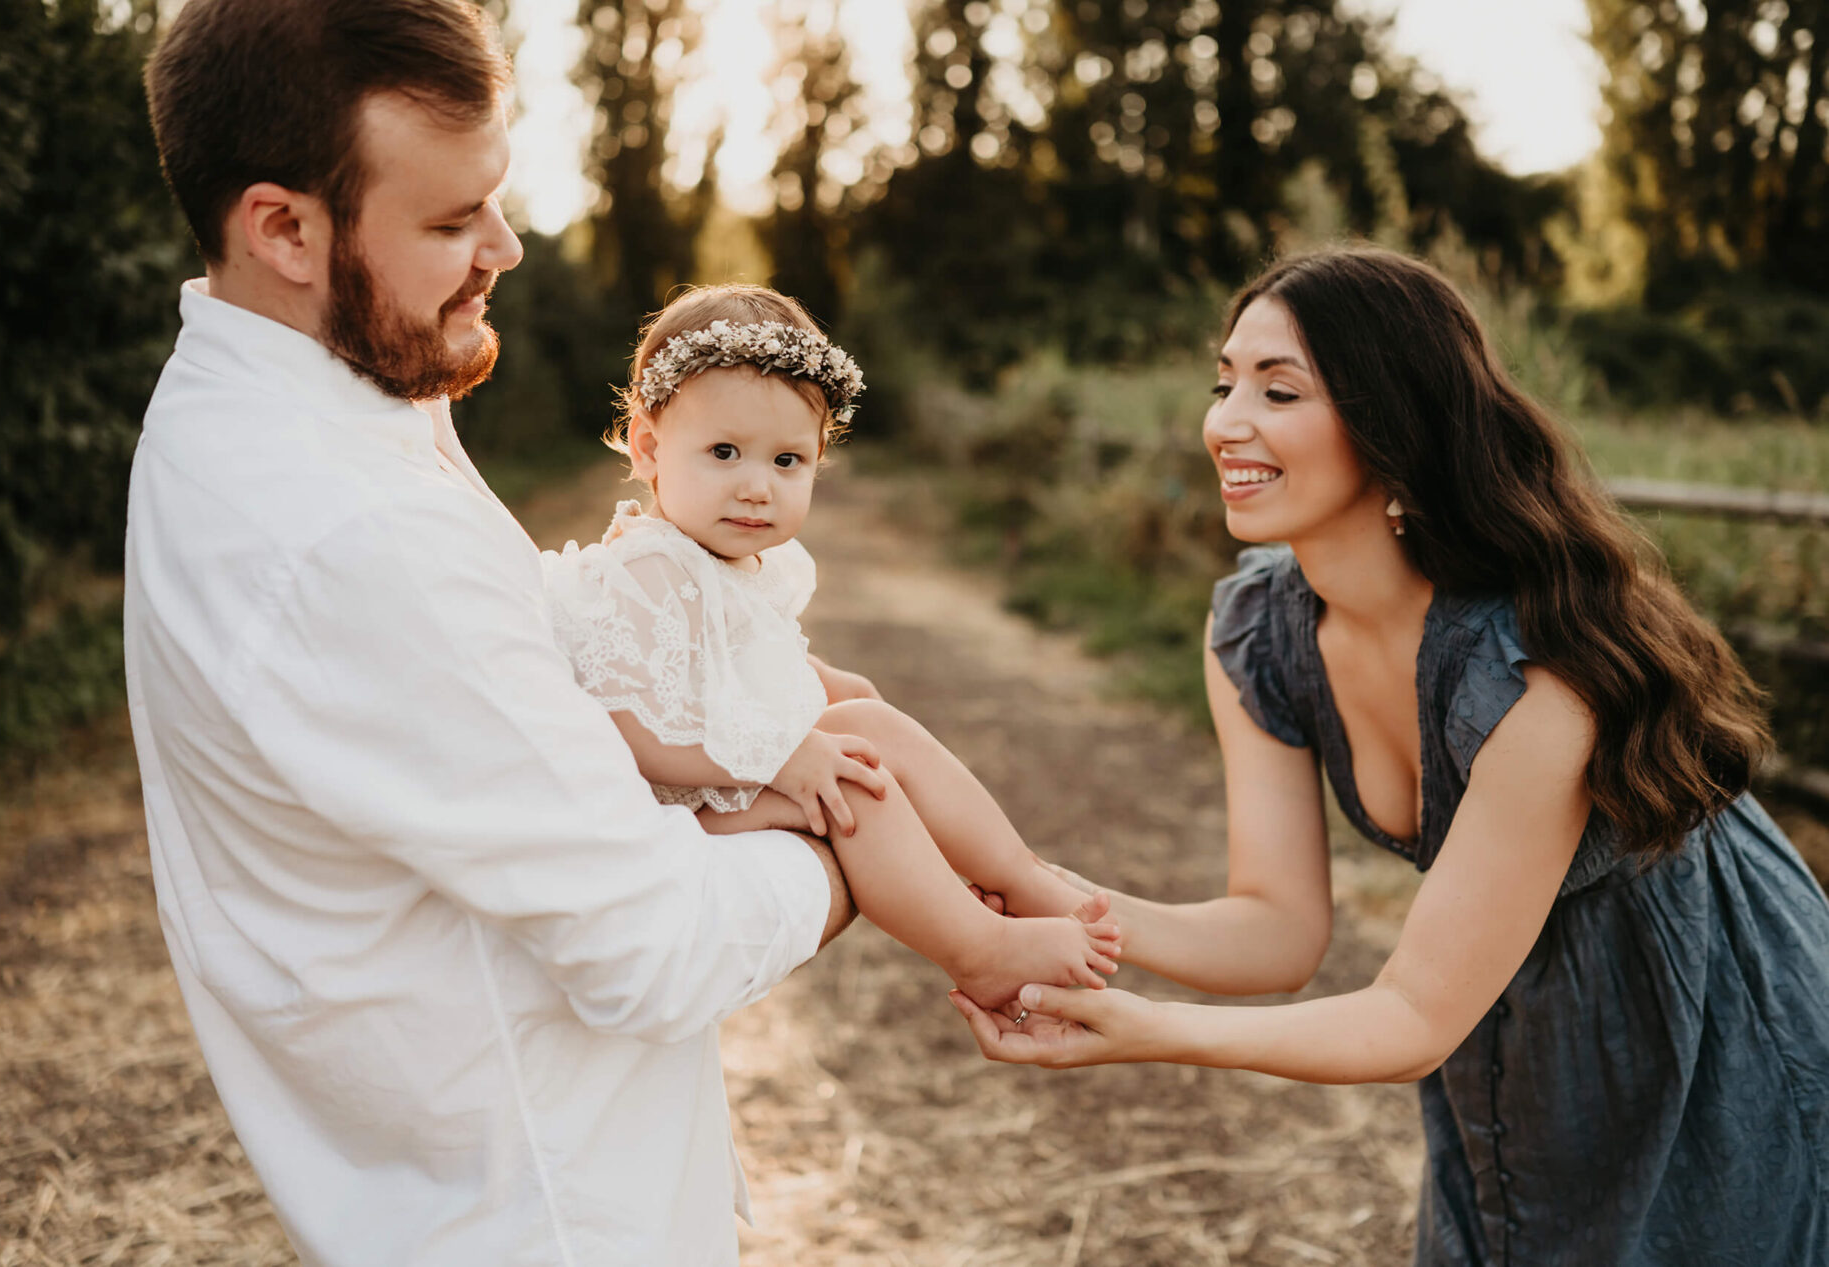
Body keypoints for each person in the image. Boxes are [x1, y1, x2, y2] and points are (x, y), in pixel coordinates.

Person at [129, 3, 859, 1262]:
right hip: (540, 1215)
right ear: (284, 229)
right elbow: (654, 948)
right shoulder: (348, 523)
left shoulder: (301, 408)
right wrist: (861, 835)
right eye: (451, 220)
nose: (505, 249)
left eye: (497, 201)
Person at [950, 247, 1829, 1265]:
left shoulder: (1537, 676)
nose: (1225, 421)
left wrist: (1148, 1027)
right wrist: (1048, 891)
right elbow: (1275, 929)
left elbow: (1412, 1014)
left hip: (1716, 1023)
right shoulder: (1259, 629)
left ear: (1392, 425)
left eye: (1278, 390)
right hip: (1501, 1021)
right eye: (1224, 383)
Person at [544, 285, 1122, 1010]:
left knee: (866, 718)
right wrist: (781, 758)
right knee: (850, 775)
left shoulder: (717, 560)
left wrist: (825, 683)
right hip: (674, 801)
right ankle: (979, 948)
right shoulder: (651, 568)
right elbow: (638, 727)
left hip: (715, 777)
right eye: (724, 452)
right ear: (649, 447)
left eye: (787, 460)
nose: (757, 487)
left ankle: (1018, 874)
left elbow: (737, 661)